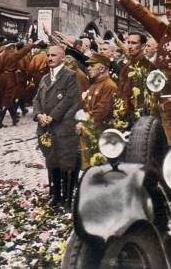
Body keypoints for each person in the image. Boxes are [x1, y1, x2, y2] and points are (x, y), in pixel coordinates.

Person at [112, 0, 171, 145]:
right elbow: (146, 19)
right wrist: (125, 0)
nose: (168, 11)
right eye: (167, 7)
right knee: (155, 144)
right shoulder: (167, 32)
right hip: (159, 98)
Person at [32, 45, 80, 207]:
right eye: (48, 55)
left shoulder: (70, 76)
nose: (49, 58)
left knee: (66, 163)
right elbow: (37, 99)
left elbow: (69, 99)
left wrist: (52, 117)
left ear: (63, 58)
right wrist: (38, 115)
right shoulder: (45, 78)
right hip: (46, 128)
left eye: (53, 55)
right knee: (51, 162)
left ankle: (67, 198)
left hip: (62, 128)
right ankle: (56, 195)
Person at [80, 53, 117, 169]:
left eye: (92, 65)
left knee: (99, 169)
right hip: (90, 133)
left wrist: (84, 122)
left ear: (101, 68)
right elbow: (86, 106)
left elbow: (102, 112)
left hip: (100, 135)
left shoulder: (109, 86)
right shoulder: (95, 84)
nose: (88, 68)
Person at [116, 32, 154, 118]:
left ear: (143, 46)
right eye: (128, 42)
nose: (129, 46)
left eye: (134, 43)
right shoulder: (124, 66)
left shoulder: (149, 67)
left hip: (139, 116)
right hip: (122, 114)